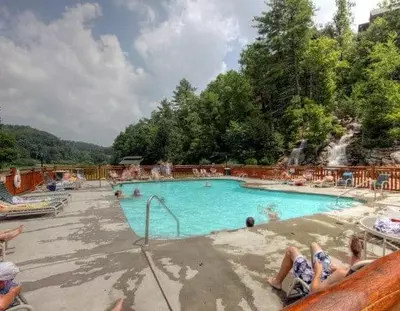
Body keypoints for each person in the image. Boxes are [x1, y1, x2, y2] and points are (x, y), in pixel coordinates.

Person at [267, 236, 363, 294]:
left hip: (317, 284)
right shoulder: (362, 267)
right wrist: (336, 269)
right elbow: (343, 274)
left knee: (291, 250)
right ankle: (313, 268)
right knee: (314, 245)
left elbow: (314, 292)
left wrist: (317, 272)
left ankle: (277, 282)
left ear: (349, 251)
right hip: (329, 277)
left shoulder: (342, 272)